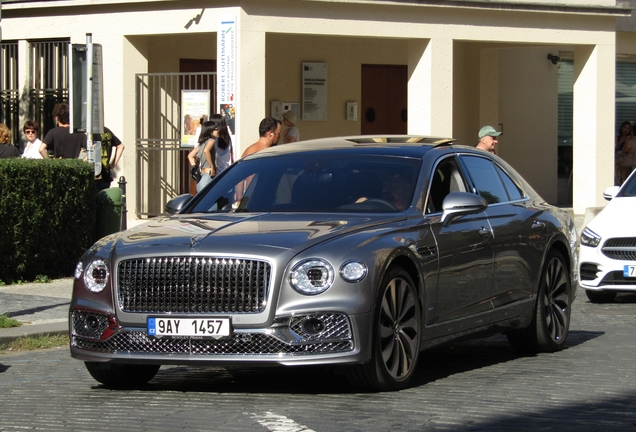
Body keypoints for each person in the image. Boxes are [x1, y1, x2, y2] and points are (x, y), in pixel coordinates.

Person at [188, 120, 218, 192]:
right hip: (209, 176)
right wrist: (212, 166)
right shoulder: (211, 141)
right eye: (216, 129)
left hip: (202, 178)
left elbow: (190, 156)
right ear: (211, 130)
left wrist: (194, 167)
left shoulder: (201, 144)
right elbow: (206, 151)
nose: (218, 130)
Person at [615, 121, 636, 185]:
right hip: (620, 155)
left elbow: (625, 150)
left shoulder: (631, 139)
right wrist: (621, 141)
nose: (626, 130)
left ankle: (620, 182)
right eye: (624, 127)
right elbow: (614, 148)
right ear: (621, 128)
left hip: (626, 158)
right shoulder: (618, 137)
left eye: (628, 128)